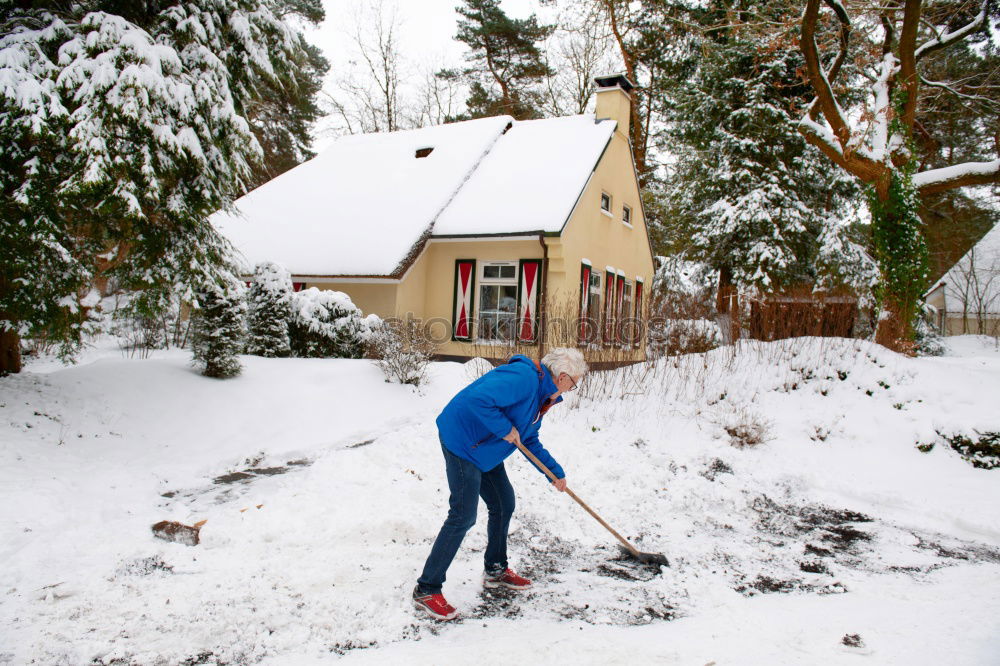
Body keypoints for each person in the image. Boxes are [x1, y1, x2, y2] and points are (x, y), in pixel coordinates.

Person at [412, 347, 588, 621]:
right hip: (463, 441)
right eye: (573, 383)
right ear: (562, 376)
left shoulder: (541, 396)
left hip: (485, 447)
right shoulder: (523, 378)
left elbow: (527, 439)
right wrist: (505, 429)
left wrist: (553, 472)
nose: (571, 389)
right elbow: (477, 400)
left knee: (504, 503)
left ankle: (495, 568)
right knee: (463, 515)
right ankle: (427, 588)